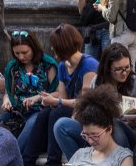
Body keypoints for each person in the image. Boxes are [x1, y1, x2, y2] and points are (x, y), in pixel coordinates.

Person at [54, 43, 136, 160]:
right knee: (61, 125)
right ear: (108, 68)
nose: (124, 72)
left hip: (126, 131)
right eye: (118, 69)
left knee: (114, 125)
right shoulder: (97, 81)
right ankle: (80, 162)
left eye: (127, 67)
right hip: (98, 128)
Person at [22, 23, 98, 166]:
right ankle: (27, 160)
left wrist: (57, 102)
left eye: (54, 45)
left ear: (63, 47)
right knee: (45, 113)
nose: (52, 48)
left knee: (56, 112)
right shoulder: (63, 65)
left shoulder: (89, 65)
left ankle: (53, 161)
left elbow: (86, 102)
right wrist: (48, 99)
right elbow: (63, 97)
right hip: (70, 109)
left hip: (88, 113)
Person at [0, 30, 59, 153]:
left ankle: (13, 156)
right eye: (17, 53)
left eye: (25, 52)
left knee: (32, 123)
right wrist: (7, 100)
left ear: (34, 48)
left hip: (40, 111)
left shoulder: (48, 64)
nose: (21, 57)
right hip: (17, 111)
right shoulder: (13, 67)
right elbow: (9, 92)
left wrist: (37, 97)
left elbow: (58, 93)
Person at [68, 84, 133, 166]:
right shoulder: (80, 154)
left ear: (109, 129)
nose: (90, 141)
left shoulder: (123, 158)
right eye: (86, 135)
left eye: (94, 135)